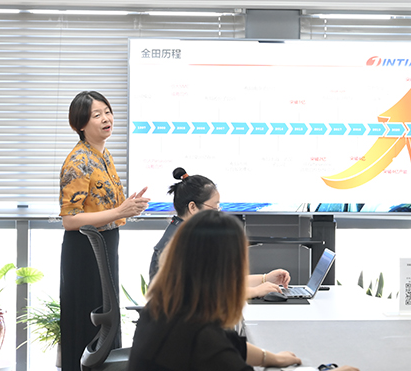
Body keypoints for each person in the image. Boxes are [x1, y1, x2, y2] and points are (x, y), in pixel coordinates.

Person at [129, 210, 358, 371]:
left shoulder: (164, 311)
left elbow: (232, 344)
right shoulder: (204, 342)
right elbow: (220, 348)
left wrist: (271, 358)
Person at [59, 91, 151, 371]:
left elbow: (103, 207)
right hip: (84, 250)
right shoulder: (78, 161)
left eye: (107, 112)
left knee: (106, 318)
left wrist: (127, 207)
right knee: (88, 318)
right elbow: (70, 219)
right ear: (80, 125)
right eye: (96, 115)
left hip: (105, 244)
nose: (105, 118)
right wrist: (120, 212)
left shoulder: (103, 154)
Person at [149, 167, 290, 299]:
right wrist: (255, 291)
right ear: (193, 207)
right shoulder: (181, 243)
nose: (217, 213)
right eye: (214, 208)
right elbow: (208, 293)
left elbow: (218, 283)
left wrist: (265, 279)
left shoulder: (184, 234)